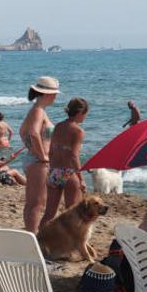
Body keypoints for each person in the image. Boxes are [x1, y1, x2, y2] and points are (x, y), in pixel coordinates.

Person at [19, 76, 59, 234]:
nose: (56, 97)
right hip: (38, 162)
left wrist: (33, 150)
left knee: (33, 203)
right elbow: (33, 133)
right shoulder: (38, 111)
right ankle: (33, 238)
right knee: (37, 204)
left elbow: (23, 133)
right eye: (55, 93)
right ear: (48, 94)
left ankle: (31, 236)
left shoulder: (38, 110)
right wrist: (42, 156)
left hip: (34, 159)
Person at [42, 98, 89, 226]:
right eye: (85, 114)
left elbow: (51, 152)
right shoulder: (78, 131)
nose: (85, 117)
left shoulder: (58, 126)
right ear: (80, 113)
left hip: (55, 171)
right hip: (69, 172)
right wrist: (81, 178)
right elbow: (74, 156)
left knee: (49, 213)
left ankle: (39, 240)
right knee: (72, 213)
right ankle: (70, 244)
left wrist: (51, 171)